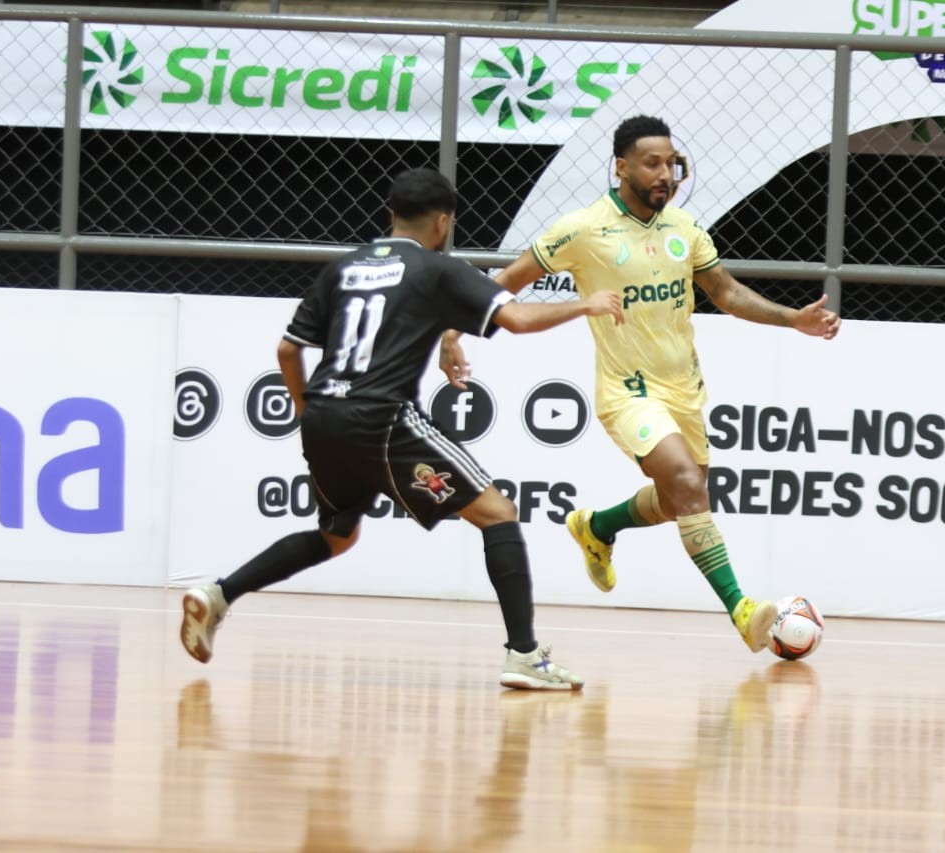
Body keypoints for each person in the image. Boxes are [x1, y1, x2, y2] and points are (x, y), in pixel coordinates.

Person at [179, 167, 624, 690]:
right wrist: (586, 303)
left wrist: (309, 413)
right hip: (382, 417)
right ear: (443, 222)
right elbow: (518, 320)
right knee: (498, 513)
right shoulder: (437, 268)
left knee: (336, 535)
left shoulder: (344, 268)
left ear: (392, 215)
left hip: (323, 416)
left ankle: (219, 594)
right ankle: (524, 655)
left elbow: (287, 350)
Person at [439, 115, 841, 653]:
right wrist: (452, 331)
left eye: (671, 163)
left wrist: (793, 319)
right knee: (687, 483)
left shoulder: (685, 229)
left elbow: (726, 292)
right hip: (627, 391)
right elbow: (504, 284)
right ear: (621, 167)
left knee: (679, 501)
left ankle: (598, 527)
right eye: (652, 163)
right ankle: (741, 608)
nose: (665, 174)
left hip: (685, 389)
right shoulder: (583, 229)